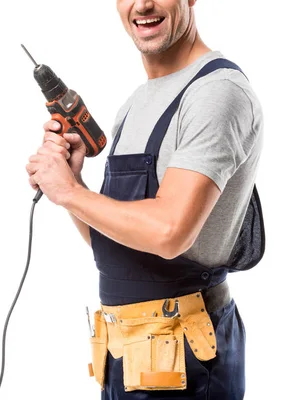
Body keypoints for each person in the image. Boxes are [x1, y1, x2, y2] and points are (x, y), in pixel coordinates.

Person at [25, 0, 265, 398]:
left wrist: (66, 191)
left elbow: (170, 232)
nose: (143, 4)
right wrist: (74, 188)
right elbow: (117, 242)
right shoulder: (135, 103)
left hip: (186, 360)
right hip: (127, 357)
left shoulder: (216, 93)